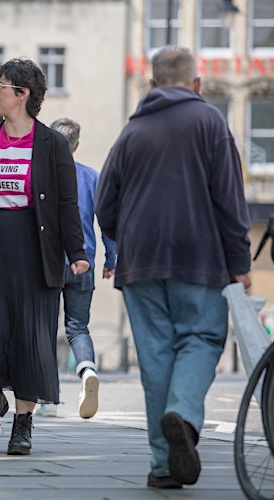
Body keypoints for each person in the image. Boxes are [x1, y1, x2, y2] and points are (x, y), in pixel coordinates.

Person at [95, 46, 251, 489]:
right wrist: (239, 262)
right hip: (200, 258)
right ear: (197, 84)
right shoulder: (210, 122)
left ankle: (163, 466)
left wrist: (127, 237)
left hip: (141, 261)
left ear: (152, 85)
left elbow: (105, 206)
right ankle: (182, 413)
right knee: (201, 337)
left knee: (155, 358)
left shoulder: (131, 132)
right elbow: (230, 200)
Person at [0, 57, 88, 456]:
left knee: (30, 341)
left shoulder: (52, 144)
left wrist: (77, 252)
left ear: (21, 95)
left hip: (35, 254)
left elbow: (67, 205)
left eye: (1, 86)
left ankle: (23, 424)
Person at [34, 117, 117, 420]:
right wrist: (111, 259)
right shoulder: (91, 177)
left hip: (47, 262)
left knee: (44, 328)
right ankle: (87, 371)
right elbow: (107, 222)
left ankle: (47, 400)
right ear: (77, 145)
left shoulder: (40, 176)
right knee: (77, 328)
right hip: (83, 261)